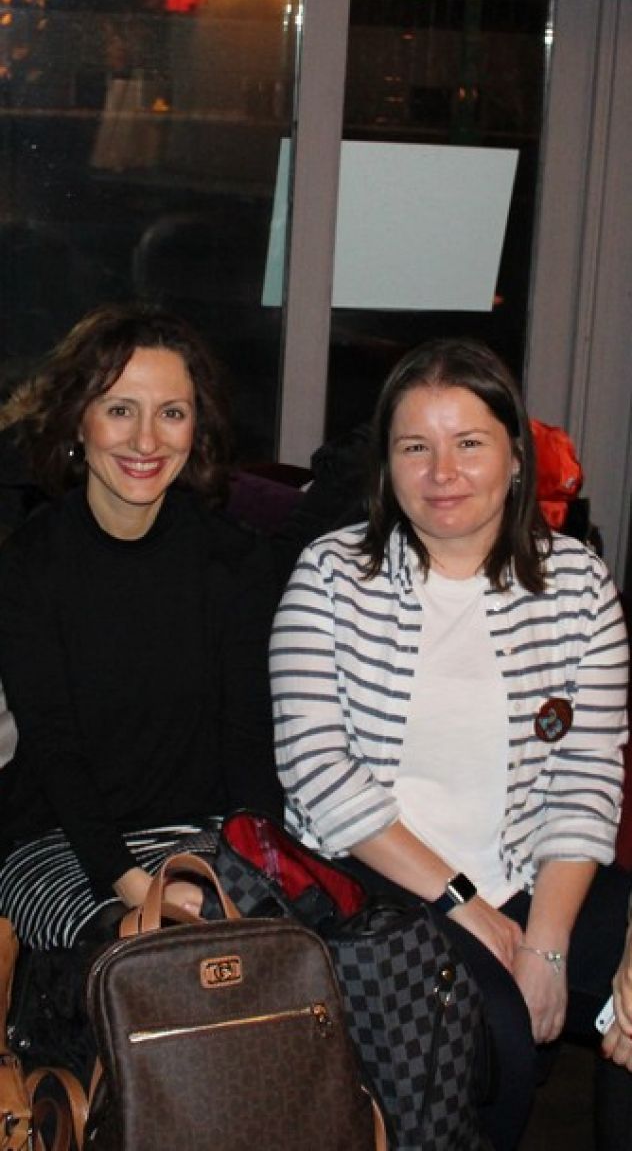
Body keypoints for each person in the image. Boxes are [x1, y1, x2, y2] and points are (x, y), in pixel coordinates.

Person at [269, 337, 630, 1150]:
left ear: (515, 457)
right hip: (383, 881)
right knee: (492, 1032)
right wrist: (466, 905)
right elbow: (320, 774)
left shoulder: (577, 586)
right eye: (415, 448)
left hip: (531, 872)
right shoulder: (331, 576)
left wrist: (547, 943)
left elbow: (586, 778)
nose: (442, 473)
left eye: (469, 443)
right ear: (386, 466)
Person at [0, 304, 281, 949]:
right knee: (147, 953)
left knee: (275, 948)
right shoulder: (28, 565)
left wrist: (248, 872)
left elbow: (249, 744)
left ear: (196, 427)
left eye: (171, 413)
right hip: (58, 842)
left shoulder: (236, 560)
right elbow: (55, 752)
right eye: (121, 410)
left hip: (204, 838)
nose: (147, 441)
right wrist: (137, 886)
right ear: (79, 419)